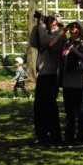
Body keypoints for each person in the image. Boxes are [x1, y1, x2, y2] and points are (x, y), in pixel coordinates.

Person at [29, 11, 64, 147]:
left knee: (50, 106)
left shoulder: (60, 35)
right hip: (43, 74)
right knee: (39, 106)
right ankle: (41, 134)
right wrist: (38, 24)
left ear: (55, 22)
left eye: (50, 20)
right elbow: (34, 42)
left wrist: (42, 26)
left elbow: (45, 41)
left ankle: (55, 136)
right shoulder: (46, 32)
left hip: (51, 74)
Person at [59, 20, 83, 148]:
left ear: (79, 30)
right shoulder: (67, 43)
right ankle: (69, 137)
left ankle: (81, 138)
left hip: (78, 82)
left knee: (80, 110)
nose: (72, 29)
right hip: (67, 81)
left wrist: (77, 52)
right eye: (71, 28)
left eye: (74, 27)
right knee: (69, 112)